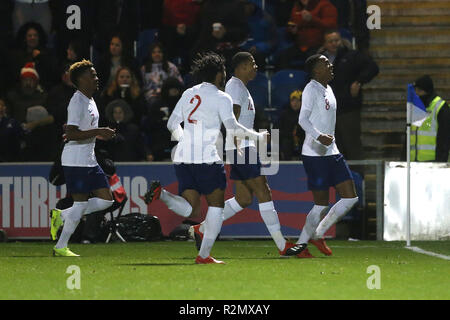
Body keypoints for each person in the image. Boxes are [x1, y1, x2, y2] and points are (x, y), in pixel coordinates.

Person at [143, 52, 268, 264]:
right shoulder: (222, 97)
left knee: (191, 207)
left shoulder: (188, 93)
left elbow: (171, 124)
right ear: (219, 75)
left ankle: (162, 194)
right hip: (207, 158)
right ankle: (204, 256)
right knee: (216, 206)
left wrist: (185, 141)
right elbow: (233, 127)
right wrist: (257, 136)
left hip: (183, 157)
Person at [188, 52, 297, 257]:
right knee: (263, 191)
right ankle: (282, 245)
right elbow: (232, 119)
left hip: (242, 147)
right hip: (242, 148)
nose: (256, 67)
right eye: (252, 64)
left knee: (244, 198)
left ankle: (201, 229)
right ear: (242, 66)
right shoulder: (235, 87)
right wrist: (240, 144)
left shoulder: (240, 87)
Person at [285, 54, 359, 258]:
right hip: (314, 154)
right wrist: (318, 136)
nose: (330, 65)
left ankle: (317, 234)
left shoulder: (329, 88)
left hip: (332, 151)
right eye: (326, 63)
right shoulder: (311, 89)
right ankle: (301, 244)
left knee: (350, 197)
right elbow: (303, 119)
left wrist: (328, 140)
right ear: (316, 70)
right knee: (321, 203)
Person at [49, 59, 116, 257]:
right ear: (80, 80)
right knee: (79, 205)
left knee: (106, 201)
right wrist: (99, 131)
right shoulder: (77, 101)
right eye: (92, 75)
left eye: (95, 74)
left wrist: (99, 134)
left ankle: (61, 216)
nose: (96, 78)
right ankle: (61, 246)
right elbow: (70, 134)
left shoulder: (90, 99)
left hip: (89, 158)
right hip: (75, 159)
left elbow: (80, 131)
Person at [318, 29, 379, 160]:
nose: (334, 44)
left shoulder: (352, 56)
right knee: (333, 148)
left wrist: (359, 82)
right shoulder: (318, 60)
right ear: (325, 44)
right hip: (327, 111)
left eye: (336, 40)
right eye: (330, 41)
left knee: (352, 145)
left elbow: (373, 67)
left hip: (348, 108)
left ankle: (358, 178)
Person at [279, 0, 337, 69]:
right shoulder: (297, 6)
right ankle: (287, 78)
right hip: (300, 45)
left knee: (312, 60)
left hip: (320, 45)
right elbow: (293, 23)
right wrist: (292, 29)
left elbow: (331, 27)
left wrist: (312, 19)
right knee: (282, 57)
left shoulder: (325, 5)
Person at [412, 75, 450, 162]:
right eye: (415, 91)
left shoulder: (441, 107)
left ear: (427, 91)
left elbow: (444, 140)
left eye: (419, 90)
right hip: (414, 163)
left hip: (433, 162)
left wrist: (440, 164)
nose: (417, 94)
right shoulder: (416, 107)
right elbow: (409, 136)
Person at [141, 42, 184, 107]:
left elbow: (180, 84)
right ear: (150, 54)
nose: (157, 54)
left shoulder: (171, 67)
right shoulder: (144, 69)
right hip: (151, 97)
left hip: (168, 96)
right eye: (154, 52)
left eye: (159, 52)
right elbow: (142, 86)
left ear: (163, 53)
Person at [278, 89, 305, 160]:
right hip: (288, 139)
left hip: (302, 140)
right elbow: (278, 130)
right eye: (293, 101)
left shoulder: (306, 115)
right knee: (286, 143)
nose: (295, 103)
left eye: (298, 101)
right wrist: (291, 135)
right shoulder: (284, 114)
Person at [0, 97, 23, 162]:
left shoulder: (13, 122)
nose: (1, 107)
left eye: (2, 105)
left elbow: (19, 140)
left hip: (9, 159)